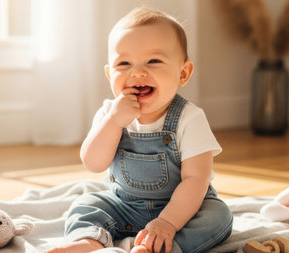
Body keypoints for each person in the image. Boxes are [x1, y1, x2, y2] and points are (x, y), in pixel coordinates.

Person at [46, 7, 233, 253]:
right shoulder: (108, 114)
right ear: (109, 73)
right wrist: (114, 122)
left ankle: (163, 247)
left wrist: (167, 222)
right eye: (124, 63)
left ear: (183, 73)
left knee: (219, 216)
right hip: (122, 205)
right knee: (85, 204)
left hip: (182, 210)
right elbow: (93, 163)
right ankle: (88, 241)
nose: (137, 72)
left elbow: (196, 179)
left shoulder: (189, 118)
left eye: (154, 61)